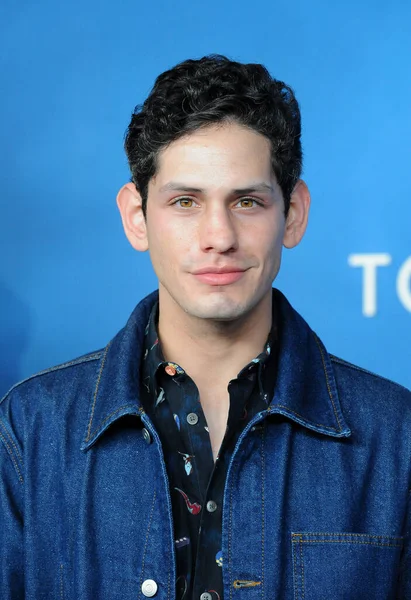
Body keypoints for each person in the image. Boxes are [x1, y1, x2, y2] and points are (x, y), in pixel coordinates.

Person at [1, 54, 410, 600]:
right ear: (137, 217)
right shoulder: (32, 430)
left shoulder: (396, 436)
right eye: (185, 201)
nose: (219, 236)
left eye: (247, 201)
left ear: (293, 214)